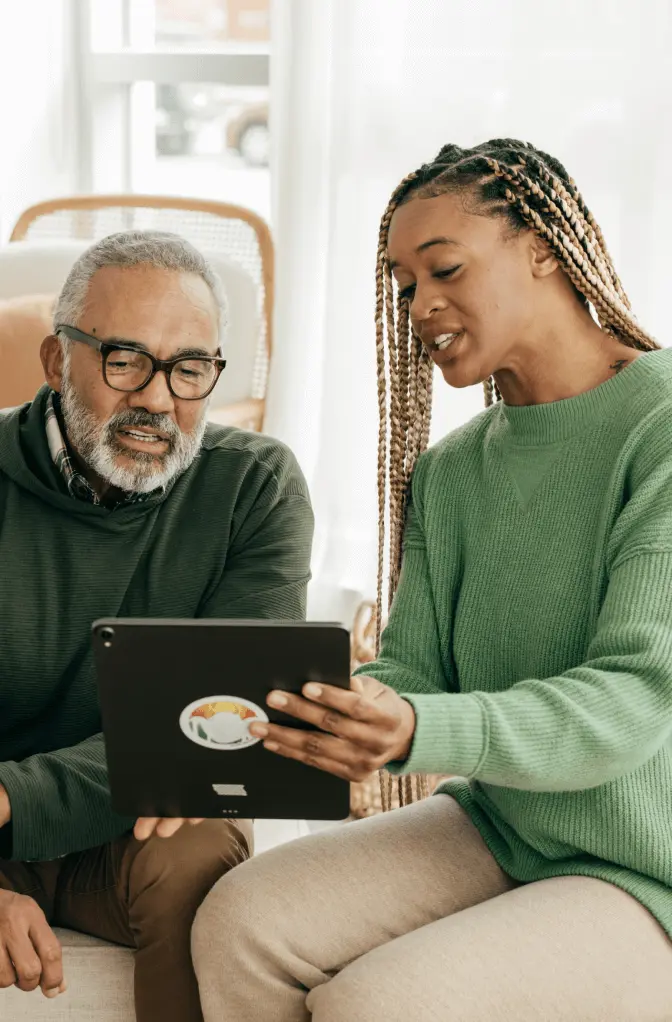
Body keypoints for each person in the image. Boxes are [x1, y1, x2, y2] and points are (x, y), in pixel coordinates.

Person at [191, 140, 672, 1021]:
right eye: (404, 284)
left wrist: (415, 727)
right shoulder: (453, 471)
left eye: (444, 267)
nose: (419, 305)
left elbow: (635, 701)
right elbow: (415, 671)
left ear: (543, 248)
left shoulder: (661, 430)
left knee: (381, 1001)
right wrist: (321, 716)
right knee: (239, 919)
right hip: (506, 826)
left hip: (651, 867)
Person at [0, 230, 314, 1021]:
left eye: (189, 369)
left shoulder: (256, 488)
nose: (157, 397)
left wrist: (9, 798)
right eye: (124, 359)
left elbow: (220, 735)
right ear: (55, 361)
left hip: (138, 834)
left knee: (196, 847)